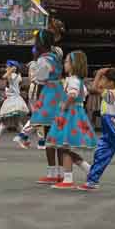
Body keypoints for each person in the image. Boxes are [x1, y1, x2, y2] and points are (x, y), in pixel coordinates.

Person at [16, 30, 65, 184]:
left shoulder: (43, 60)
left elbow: (41, 82)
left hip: (48, 95)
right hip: (58, 94)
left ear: (40, 44)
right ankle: (61, 173)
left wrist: (39, 102)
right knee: (57, 137)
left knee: (49, 135)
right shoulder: (56, 56)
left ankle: (52, 174)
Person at [45, 50, 98, 189]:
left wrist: (64, 105)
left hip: (70, 115)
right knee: (65, 148)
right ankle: (89, 169)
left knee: (65, 147)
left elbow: (73, 95)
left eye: (67, 61)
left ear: (74, 64)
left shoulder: (73, 80)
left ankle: (68, 179)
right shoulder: (77, 80)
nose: (64, 64)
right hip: (75, 114)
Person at [0, 61, 29, 146]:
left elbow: (4, 76)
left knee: (7, 122)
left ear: (13, 68)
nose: (6, 68)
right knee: (16, 123)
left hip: (13, 100)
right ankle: (26, 140)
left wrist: (11, 70)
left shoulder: (13, 75)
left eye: (7, 66)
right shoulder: (16, 75)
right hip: (12, 99)